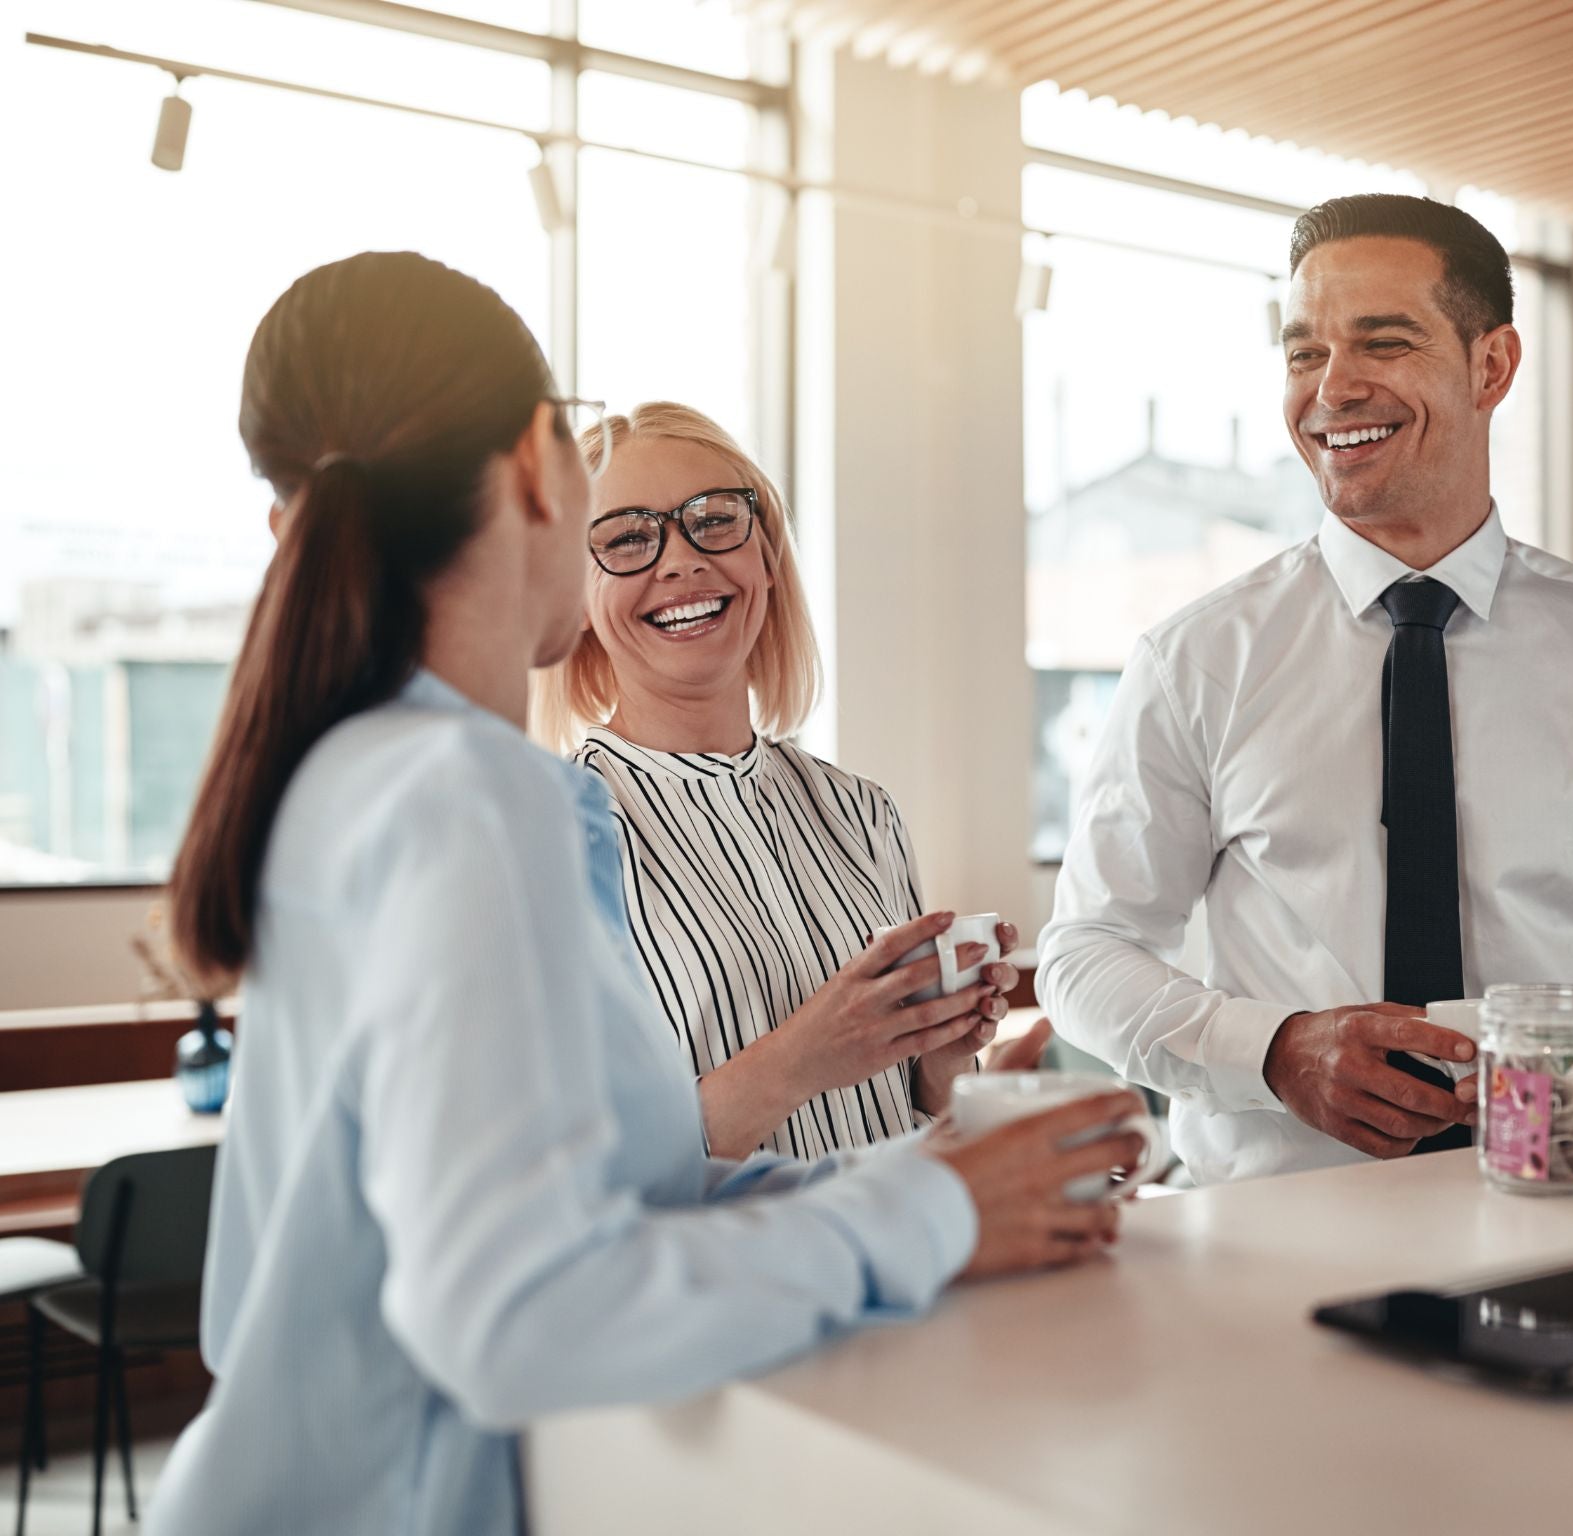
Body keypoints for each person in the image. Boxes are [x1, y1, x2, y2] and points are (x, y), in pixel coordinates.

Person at [149, 252, 1140, 1535]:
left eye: (716, 521)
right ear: (531, 468)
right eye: (618, 517)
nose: (672, 558)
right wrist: (931, 1207)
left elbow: (614, 1192)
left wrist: (946, 1170)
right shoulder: (469, 796)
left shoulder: (366, 772)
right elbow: (520, 1312)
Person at [1040, 194, 1573, 1186]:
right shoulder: (1196, 660)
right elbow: (1087, 952)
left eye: (1380, 343)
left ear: (1491, 366)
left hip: (1558, 1204)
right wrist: (1270, 1050)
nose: (1331, 388)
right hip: (1267, 1233)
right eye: (1302, 352)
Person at [534, 402, 1048, 1161]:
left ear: (767, 561)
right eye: (626, 539)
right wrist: (802, 1058)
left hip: (905, 1265)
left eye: (713, 521)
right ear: (574, 599)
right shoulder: (550, 839)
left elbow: (911, 1124)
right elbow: (584, 1171)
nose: (680, 561)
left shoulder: (862, 813)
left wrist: (943, 1065)